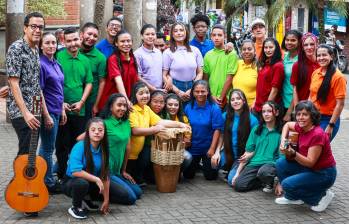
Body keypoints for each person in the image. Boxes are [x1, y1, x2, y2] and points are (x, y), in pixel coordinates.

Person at [6, 11, 46, 217]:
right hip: (21, 112)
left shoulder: (34, 50)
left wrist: (44, 114)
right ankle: (22, 194)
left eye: (41, 27)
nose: (37, 30)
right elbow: (13, 83)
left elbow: (36, 85)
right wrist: (26, 113)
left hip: (36, 109)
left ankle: (23, 187)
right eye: (34, 26)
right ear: (25, 27)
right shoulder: (16, 48)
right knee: (26, 153)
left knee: (29, 152)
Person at [275, 101, 337, 212]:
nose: (300, 117)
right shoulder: (301, 127)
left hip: (323, 173)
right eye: (298, 114)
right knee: (280, 163)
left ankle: (321, 196)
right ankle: (294, 197)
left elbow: (310, 162)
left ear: (312, 116)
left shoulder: (317, 134)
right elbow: (287, 125)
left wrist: (293, 152)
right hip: (308, 168)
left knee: (287, 185)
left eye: (305, 114)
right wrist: (283, 140)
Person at [127, 82, 190, 185]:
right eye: (141, 93)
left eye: (147, 92)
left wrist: (179, 125)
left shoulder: (146, 109)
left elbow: (160, 121)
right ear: (135, 95)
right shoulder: (133, 109)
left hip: (137, 154)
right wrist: (155, 129)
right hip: (129, 156)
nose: (145, 95)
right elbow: (135, 131)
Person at [56, 27, 93, 180]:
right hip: (61, 109)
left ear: (80, 39)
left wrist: (82, 102)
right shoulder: (58, 57)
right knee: (61, 145)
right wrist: (61, 102)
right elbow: (53, 83)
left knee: (77, 145)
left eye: (75, 40)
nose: (73, 43)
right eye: (69, 40)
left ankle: (76, 174)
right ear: (63, 41)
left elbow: (89, 83)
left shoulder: (85, 60)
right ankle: (62, 175)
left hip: (79, 110)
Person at [63, 118, 110, 219]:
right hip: (72, 182)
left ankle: (86, 199)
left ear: (104, 132)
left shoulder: (104, 149)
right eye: (93, 130)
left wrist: (106, 201)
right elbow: (75, 172)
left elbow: (105, 176)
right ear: (87, 132)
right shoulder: (80, 146)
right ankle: (76, 207)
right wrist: (97, 179)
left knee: (99, 187)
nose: (97, 132)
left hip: (90, 181)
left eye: (100, 130)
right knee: (82, 183)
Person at [100, 94, 142, 204]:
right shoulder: (103, 123)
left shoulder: (126, 122)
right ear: (110, 107)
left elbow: (128, 148)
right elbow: (81, 138)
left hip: (117, 171)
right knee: (131, 199)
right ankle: (96, 192)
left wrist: (123, 170)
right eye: (119, 105)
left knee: (138, 193)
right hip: (106, 171)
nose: (122, 108)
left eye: (124, 105)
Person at [212, 89, 259, 186]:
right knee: (212, 164)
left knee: (231, 182)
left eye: (238, 98)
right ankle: (229, 168)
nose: (235, 101)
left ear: (244, 101)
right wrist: (217, 152)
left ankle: (253, 177)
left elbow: (257, 142)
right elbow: (221, 135)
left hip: (243, 156)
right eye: (232, 99)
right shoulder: (225, 116)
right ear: (230, 103)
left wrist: (249, 155)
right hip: (229, 152)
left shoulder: (253, 120)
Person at [233, 101, 282, 192]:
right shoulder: (256, 129)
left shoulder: (282, 131)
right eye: (263, 112)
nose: (266, 114)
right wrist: (237, 173)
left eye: (269, 111)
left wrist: (280, 182)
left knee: (264, 172)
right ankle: (263, 182)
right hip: (254, 163)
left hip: (270, 164)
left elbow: (282, 158)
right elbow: (247, 152)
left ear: (277, 112)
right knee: (238, 186)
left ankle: (268, 181)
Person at [38, 32, 65, 194]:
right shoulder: (41, 64)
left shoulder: (56, 63)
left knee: (48, 147)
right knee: (47, 148)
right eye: (47, 43)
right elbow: (39, 92)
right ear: (41, 46)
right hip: (47, 112)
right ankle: (47, 182)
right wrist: (46, 115)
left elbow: (59, 89)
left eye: (53, 43)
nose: (51, 46)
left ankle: (45, 178)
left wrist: (62, 109)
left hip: (56, 109)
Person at [183, 80, 224, 180]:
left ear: (208, 92)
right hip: (192, 148)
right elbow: (184, 125)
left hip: (208, 148)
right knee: (188, 176)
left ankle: (206, 165)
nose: (200, 94)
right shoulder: (188, 107)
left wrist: (212, 149)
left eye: (203, 91)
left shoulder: (214, 108)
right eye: (197, 91)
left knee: (210, 177)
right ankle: (197, 165)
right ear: (193, 92)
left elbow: (217, 129)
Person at [309, 44, 346, 141]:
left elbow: (340, 104)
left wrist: (331, 125)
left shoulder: (338, 77)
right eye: (319, 55)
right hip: (313, 116)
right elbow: (311, 95)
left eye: (324, 55)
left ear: (331, 56)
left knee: (318, 150)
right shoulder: (315, 73)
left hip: (328, 119)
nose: (321, 58)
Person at [98, 30, 139, 110]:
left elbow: (136, 78)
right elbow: (118, 81)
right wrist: (126, 100)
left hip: (127, 102)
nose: (126, 44)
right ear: (116, 43)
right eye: (122, 41)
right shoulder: (113, 59)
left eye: (128, 41)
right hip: (112, 104)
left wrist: (153, 89)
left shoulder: (133, 58)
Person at [162, 22, 203, 102]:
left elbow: (200, 72)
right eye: (175, 31)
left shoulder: (195, 50)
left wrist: (192, 89)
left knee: (191, 112)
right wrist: (178, 91)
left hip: (193, 86)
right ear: (172, 34)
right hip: (175, 87)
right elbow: (164, 74)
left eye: (181, 30)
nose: (179, 33)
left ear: (186, 33)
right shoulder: (168, 52)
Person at [203, 24, 238, 108]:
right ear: (211, 36)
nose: (216, 37)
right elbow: (205, 78)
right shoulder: (208, 55)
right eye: (214, 35)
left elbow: (230, 78)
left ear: (224, 36)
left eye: (219, 35)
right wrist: (210, 95)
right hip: (211, 97)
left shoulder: (231, 53)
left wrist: (221, 98)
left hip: (226, 98)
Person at [79, 22, 107, 118]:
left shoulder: (100, 58)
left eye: (95, 36)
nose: (92, 38)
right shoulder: (72, 51)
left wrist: (96, 105)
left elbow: (102, 82)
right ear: (81, 34)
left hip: (90, 102)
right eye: (89, 34)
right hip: (71, 99)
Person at [254, 38, 284, 114]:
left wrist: (266, 108)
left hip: (268, 108)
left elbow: (274, 90)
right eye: (266, 47)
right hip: (258, 105)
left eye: (271, 47)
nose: (268, 50)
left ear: (276, 48)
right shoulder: (265, 63)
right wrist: (255, 102)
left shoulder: (278, 66)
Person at [290, 33, 319, 105]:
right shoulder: (297, 66)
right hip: (303, 107)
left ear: (317, 44)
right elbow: (295, 90)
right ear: (302, 47)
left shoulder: (322, 63)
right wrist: (297, 109)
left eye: (312, 44)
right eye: (306, 45)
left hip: (320, 108)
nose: (309, 47)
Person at [164, 93, 192, 169]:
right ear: (165, 105)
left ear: (179, 106)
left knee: (188, 157)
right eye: (170, 104)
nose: (173, 107)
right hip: (162, 149)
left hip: (178, 149)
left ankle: (178, 172)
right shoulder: (161, 116)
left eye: (176, 105)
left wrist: (184, 142)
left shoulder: (183, 118)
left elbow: (187, 139)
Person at [135, 24, 163, 92]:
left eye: (153, 34)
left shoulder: (158, 52)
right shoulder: (137, 54)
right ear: (142, 36)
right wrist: (153, 89)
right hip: (145, 91)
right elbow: (138, 76)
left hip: (160, 90)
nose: (150, 36)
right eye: (147, 34)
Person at [281, 30, 302, 121]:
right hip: (282, 102)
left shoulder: (301, 60)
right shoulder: (285, 57)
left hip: (293, 105)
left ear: (299, 42)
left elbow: (298, 89)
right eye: (287, 40)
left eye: (293, 40)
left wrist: (289, 112)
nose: (289, 42)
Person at [232, 40, 258, 107]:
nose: (246, 51)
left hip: (251, 107)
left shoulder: (258, 67)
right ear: (241, 52)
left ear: (255, 51)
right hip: (235, 106)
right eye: (244, 49)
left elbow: (262, 89)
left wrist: (254, 104)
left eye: (249, 49)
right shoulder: (237, 64)